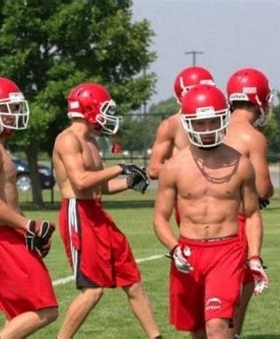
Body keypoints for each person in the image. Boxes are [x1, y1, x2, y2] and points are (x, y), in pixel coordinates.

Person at [153, 84, 269, 338]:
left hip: (227, 250)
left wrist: (254, 256)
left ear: (223, 119)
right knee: (197, 330)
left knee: (218, 325)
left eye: (212, 121)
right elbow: (160, 218)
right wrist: (174, 247)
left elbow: (251, 214)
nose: (207, 130)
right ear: (188, 124)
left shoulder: (241, 164)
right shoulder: (173, 167)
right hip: (188, 251)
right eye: (200, 123)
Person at [52, 82, 162, 339]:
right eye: (103, 109)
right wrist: (120, 167)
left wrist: (129, 181)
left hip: (97, 213)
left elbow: (101, 187)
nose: (107, 115)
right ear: (89, 108)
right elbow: (80, 182)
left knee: (133, 282)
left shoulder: (90, 141)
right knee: (92, 290)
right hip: (78, 214)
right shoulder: (68, 139)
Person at [0, 77, 58, 338]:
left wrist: (28, 232)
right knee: (46, 310)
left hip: (8, 236)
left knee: (19, 315)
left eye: (15, 108)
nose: (14, 114)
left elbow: (6, 201)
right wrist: (28, 225)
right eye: (7, 108)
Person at [224, 68, 274, 338]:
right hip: (239, 219)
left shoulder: (213, 128)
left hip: (205, 219)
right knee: (239, 287)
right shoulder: (251, 136)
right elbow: (264, 188)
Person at [148, 66, 215, 179]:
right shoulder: (171, 125)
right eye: (198, 91)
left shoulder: (221, 121)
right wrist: (200, 172)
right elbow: (154, 169)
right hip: (185, 192)